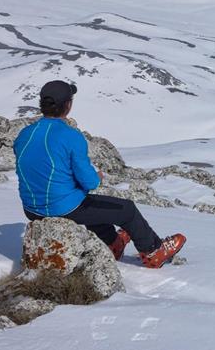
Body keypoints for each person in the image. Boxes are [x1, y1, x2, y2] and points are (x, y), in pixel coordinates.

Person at [14, 80, 185, 268]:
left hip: (31, 209)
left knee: (90, 205)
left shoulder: (24, 134)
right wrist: (98, 177)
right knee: (127, 210)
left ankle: (113, 243)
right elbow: (90, 182)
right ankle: (154, 251)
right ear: (68, 105)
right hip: (62, 208)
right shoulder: (71, 136)